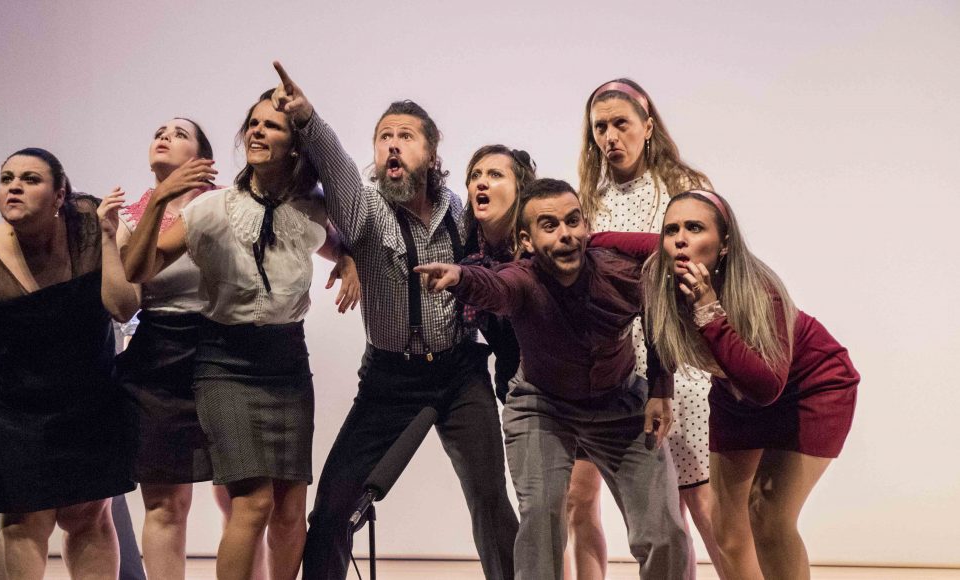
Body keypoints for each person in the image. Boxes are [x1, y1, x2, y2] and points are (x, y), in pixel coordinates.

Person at [271, 62, 518, 580]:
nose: (392, 146)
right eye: (384, 137)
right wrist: (308, 118)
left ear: (431, 153)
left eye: (405, 136)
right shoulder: (365, 210)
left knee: (491, 501)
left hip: (459, 373)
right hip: (390, 379)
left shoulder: (460, 212)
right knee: (332, 512)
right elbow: (337, 169)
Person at [122, 89, 359, 580]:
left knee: (290, 509)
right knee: (252, 502)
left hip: (287, 364)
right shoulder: (213, 208)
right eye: (253, 123)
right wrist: (160, 200)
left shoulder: (311, 209)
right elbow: (139, 268)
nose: (257, 131)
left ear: (294, 146)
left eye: (271, 125)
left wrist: (351, 260)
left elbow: (341, 243)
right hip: (225, 364)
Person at [416, 177, 689, 580]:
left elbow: (659, 314)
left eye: (573, 221)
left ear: (586, 226)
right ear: (526, 241)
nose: (566, 235)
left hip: (620, 404)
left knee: (664, 533)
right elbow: (496, 286)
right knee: (541, 521)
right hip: (542, 407)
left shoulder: (620, 274)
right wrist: (460, 276)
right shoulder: (523, 280)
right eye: (550, 225)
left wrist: (660, 388)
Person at [0, 148, 137, 579]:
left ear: (59, 195)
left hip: (88, 398)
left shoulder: (89, 225)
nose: (14, 187)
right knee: (24, 518)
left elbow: (123, 305)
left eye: (30, 179)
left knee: (89, 515)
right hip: (14, 408)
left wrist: (111, 238)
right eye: (7, 178)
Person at [640, 189, 858, 580]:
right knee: (725, 528)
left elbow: (766, 388)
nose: (680, 239)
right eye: (671, 230)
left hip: (811, 387)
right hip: (735, 394)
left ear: (724, 243)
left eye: (695, 228)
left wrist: (709, 311)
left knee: (767, 514)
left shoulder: (759, 290)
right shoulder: (659, 275)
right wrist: (660, 389)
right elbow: (655, 322)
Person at [573, 77, 725, 579]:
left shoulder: (682, 188)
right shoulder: (589, 199)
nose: (610, 137)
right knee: (640, 511)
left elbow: (694, 262)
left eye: (621, 124)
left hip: (679, 361)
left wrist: (611, 243)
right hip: (616, 366)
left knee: (704, 507)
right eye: (600, 128)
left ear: (648, 126)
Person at [114, 117, 275, 580]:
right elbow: (126, 300)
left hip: (224, 350)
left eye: (180, 133)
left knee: (240, 498)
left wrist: (346, 258)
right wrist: (125, 225)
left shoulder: (230, 204)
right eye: (159, 131)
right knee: (165, 503)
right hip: (158, 359)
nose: (164, 136)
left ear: (203, 158)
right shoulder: (130, 216)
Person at [461, 144, 537, 401]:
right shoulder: (469, 251)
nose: (482, 182)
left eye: (495, 174)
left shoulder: (539, 245)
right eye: (476, 175)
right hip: (511, 387)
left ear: (520, 190)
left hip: (562, 387)